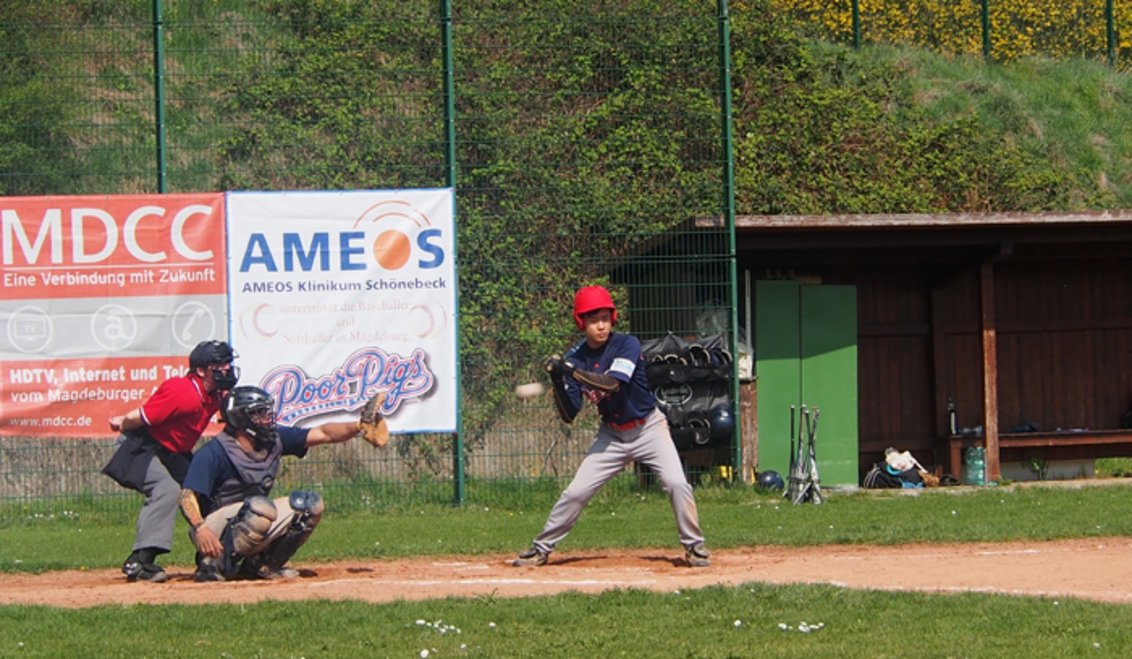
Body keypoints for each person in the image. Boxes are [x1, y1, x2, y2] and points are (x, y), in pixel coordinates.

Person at [513, 285, 711, 568]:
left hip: (649, 429)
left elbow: (613, 383)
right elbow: (570, 414)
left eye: (605, 317)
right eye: (593, 320)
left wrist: (571, 371)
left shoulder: (626, 344)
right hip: (612, 435)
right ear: (582, 323)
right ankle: (541, 548)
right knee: (576, 492)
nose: (601, 325)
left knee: (676, 483)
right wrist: (559, 379)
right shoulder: (577, 357)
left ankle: (694, 546)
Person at [179, 385, 382, 582]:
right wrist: (200, 528)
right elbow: (187, 496)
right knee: (260, 508)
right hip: (210, 528)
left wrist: (358, 426)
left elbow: (323, 433)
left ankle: (262, 565)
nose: (267, 418)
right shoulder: (215, 452)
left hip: (252, 514)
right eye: (258, 413)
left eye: (266, 412)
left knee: (309, 505)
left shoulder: (273, 440)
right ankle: (212, 563)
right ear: (240, 418)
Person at [102, 340, 239, 583]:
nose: (227, 368)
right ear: (200, 370)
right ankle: (139, 562)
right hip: (142, 445)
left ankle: (211, 559)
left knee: (206, 493)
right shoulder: (183, 392)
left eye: (228, 363)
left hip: (174, 452)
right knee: (166, 489)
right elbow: (140, 417)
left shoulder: (214, 395)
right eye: (219, 364)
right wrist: (121, 422)